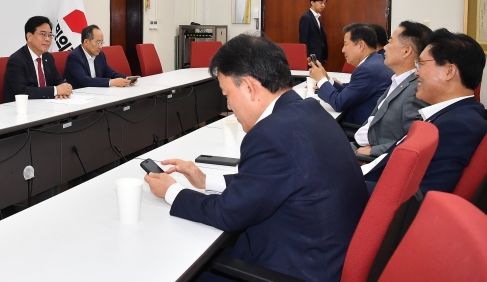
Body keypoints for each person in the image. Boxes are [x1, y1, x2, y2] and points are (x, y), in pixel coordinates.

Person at [144, 34, 368, 282]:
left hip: (292, 268)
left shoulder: (270, 135)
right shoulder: (308, 110)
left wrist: (171, 191)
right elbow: (269, 180)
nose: (229, 106)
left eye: (227, 94)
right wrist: (206, 180)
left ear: (249, 87)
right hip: (324, 254)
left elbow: (227, 215)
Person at [363, 29, 487, 194]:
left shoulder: (458, 127)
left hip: (368, 194)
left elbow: (417, 197)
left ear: (449, 71)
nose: (416, 72)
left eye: (421, 64)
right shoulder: (452, 114)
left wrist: (346, 185)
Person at [353, 21, 432, 157]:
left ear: (406, 51)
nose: (385, 47)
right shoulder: (399, 81)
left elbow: (414, 142)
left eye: (390, 42)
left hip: (369, 156)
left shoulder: (415, 91)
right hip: (361, 144)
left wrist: (375, 151)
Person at [310, 23, 393, 125]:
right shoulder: (376, 61)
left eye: (345, 44)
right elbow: (352, 91)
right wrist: (327, 80)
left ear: (361, 45)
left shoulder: (368, 69)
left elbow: (338, 103)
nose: (343, 50)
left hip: (357, 127)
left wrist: (321, 79)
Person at [3, 16, 72, 103]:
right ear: (29, 36)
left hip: (46, 104)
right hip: (22, 107)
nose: (47, 39)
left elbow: (58, 80)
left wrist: (65, 87)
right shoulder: (17, 60)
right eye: (43, 34)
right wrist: (55, 91)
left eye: (50, 35)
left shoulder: (48, 57)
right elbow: (22, 91)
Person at [63, 25, 133, 89]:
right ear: (86, 42)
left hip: (97, 92)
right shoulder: (74, 57)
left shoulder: (100, 55)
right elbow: (85, 80)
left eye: (102, 43)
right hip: (79, 94)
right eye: (98, 42)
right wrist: (112, 82)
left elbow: (110, 73)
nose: (100, 47)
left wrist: (126, 78)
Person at [299, 0, 328, 64]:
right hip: (311, 56)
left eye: (324, 3)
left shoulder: (316, 17)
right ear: (312, 2)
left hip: (318, 54)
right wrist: (306, 55)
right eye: (321, 3)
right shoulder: (306, 17)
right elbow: (303, 39)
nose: (323, 5)